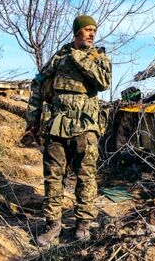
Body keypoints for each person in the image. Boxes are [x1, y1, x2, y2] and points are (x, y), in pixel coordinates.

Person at [25, 15, 111, 246]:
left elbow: (103, 82)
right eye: (87, 30)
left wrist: (78, 56)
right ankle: (53, 225)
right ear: (77, 32)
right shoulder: (58, 57)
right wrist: (32, 117)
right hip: (56, 126)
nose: (92, 33)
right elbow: (37, 83)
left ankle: (82, 224)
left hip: (85, 127)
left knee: (86, 177)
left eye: (94, 29)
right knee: (53, 177)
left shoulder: (98, 56)